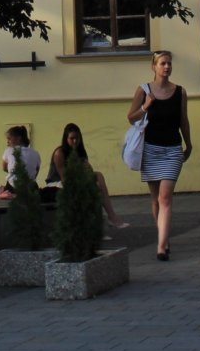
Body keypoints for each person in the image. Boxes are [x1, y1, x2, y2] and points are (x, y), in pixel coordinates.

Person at [126, 49, 192, 261]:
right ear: (153, 67)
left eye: (169, 63)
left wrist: (188, 143)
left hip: (172, 149)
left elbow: (183, 119)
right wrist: (145, 106)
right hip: (150, 149)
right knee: (155, 199)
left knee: (165, 198)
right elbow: (131, 117)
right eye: (163, 63)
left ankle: (161, 246)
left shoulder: (180, 92)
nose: (167, 67)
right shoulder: (144, 90)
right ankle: (164, 236)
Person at [47, 123, 128, 230]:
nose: (75, 141)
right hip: (57, 183)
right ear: (66, 139)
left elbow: (88, 172)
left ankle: (111, 215)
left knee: (98, 176)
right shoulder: (60, 153)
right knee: (92, 189)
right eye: (72, 138)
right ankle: (97, 226)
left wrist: (87, 169)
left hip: (76, 179)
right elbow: (64, 177)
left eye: (77, 138)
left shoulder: (80, 151)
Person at [0, 125, 42, 195]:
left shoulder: (9, 150)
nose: (7, 141)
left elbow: (4, 168)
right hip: (31, 188)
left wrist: (14, 171)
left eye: (9, 139)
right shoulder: (35, 153)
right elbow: (36, 171)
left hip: (13, 188)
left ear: (18, 138)